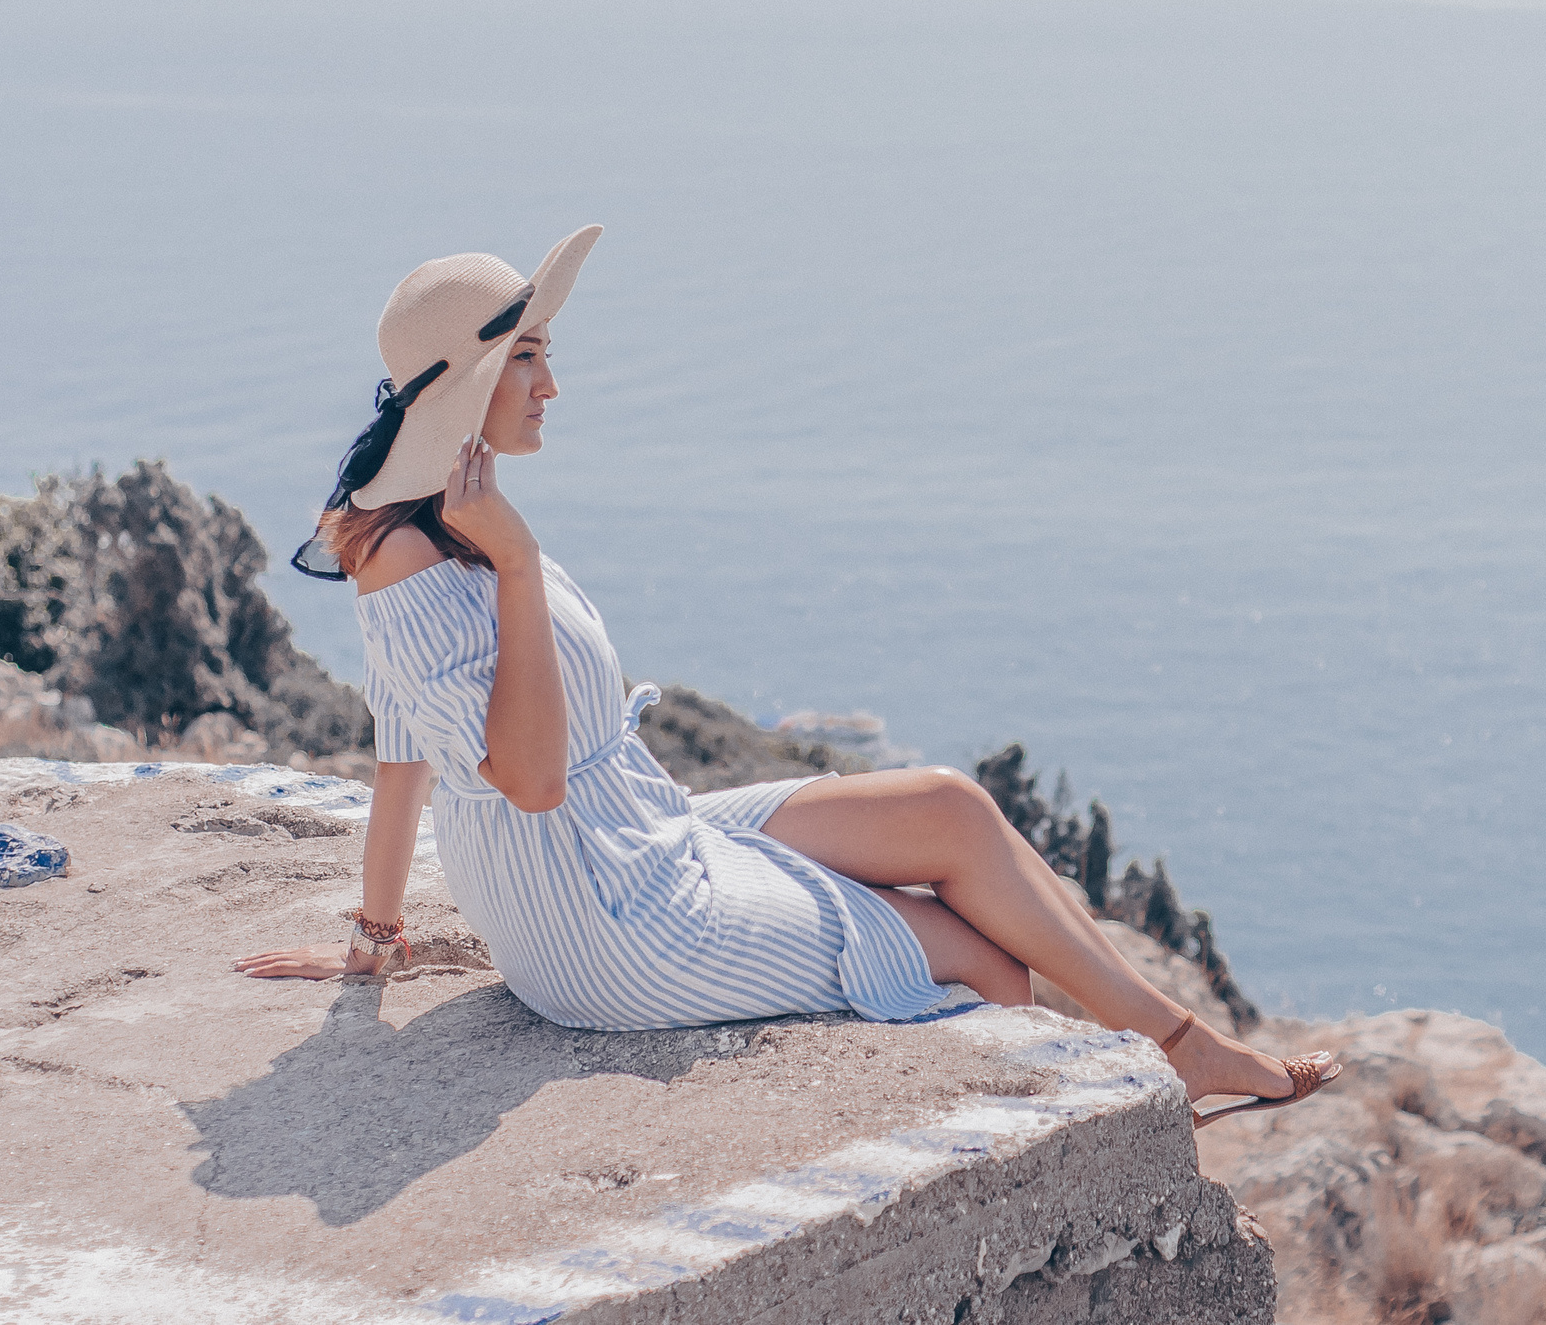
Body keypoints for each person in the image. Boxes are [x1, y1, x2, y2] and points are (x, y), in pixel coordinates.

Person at [235, 225, 1335, 1127]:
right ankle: (1138, 1085)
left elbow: (398, 751)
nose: (552, 384)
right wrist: (518, 562)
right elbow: (518, 778)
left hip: (635, 829)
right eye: (526, 357)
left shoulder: (444, 517)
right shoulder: (419, 548)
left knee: (948, 807)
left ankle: (1177, 1043)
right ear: (465, 382)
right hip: (598, 911)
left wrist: (378, 936)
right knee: (982, 972)